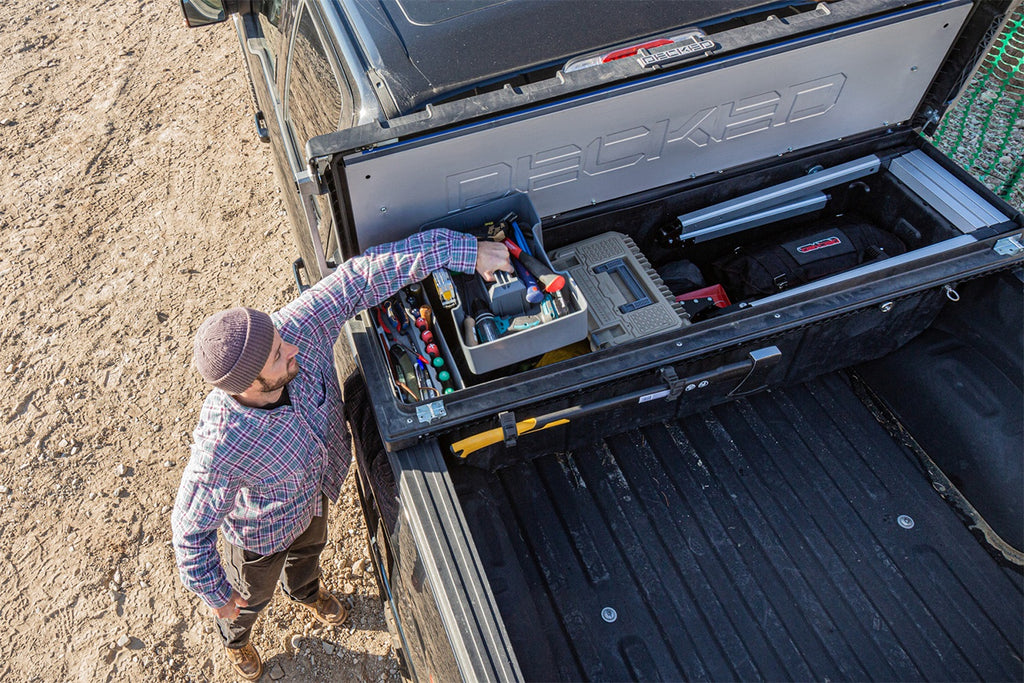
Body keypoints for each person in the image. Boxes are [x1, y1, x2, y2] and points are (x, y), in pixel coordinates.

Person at [172, 229, 512, 681]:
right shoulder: (222, 444)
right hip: (257, 538)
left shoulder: (295, 329)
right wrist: (214, 593)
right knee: (246, 600)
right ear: (249, 387)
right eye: (278, 355)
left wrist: (467, 252)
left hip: (314, 502)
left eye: (280, 338)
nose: (293, 346)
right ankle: (237, 641)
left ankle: (308, 593)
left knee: (308, 558)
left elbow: (362, 275)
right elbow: (189, 532)